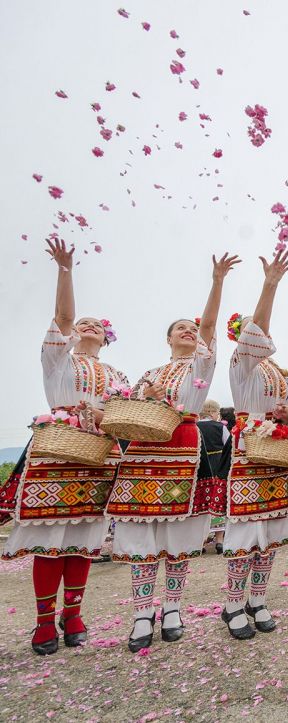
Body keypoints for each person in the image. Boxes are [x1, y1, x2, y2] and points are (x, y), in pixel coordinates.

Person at [0, 238, 129, 655]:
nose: (88, 326)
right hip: (57, 451)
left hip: (98, 455)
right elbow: (63, 314)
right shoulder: (59, 360)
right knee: (50, 538)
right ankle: (42, 623)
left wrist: (105, 418)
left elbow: (124, 414)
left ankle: (72, 614)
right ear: (71, 335)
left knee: (83, 538)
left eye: (97, 324)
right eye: (82, 324)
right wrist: (65, 270)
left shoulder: (116, 373)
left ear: (107, 337)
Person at [107, 253, 239, 651]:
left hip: (183, 445)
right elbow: (128, 409)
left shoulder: (202, 363)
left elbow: (211, 325)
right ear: (167, 338)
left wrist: (216, 280)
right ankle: (142, 614)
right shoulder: (149, 373)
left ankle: (174, 609)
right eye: (179, 328)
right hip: (144, 451)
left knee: (178, 534)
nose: (187, 331)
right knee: (144, 536)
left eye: (191, 328)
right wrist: (143, 397)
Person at [221, 251, 288, 640]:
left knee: (269, 530)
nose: (260, 334)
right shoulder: (241, 362)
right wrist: (270, 284)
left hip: (277, 454)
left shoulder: (277, 372)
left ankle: (257, 597)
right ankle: (232, 603)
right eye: (252, 331)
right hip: (251, 452)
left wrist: (285, 416)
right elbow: (258, 325)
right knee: (246, 529)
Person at [198, 400, 232, 555]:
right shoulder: (221, 427)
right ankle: (219, 541)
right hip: (218, 465)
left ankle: (200, 541)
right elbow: (228, 445)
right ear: (213, 411)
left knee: (201, 501)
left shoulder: (195, 426)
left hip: (200, 467)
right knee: (216, 501)